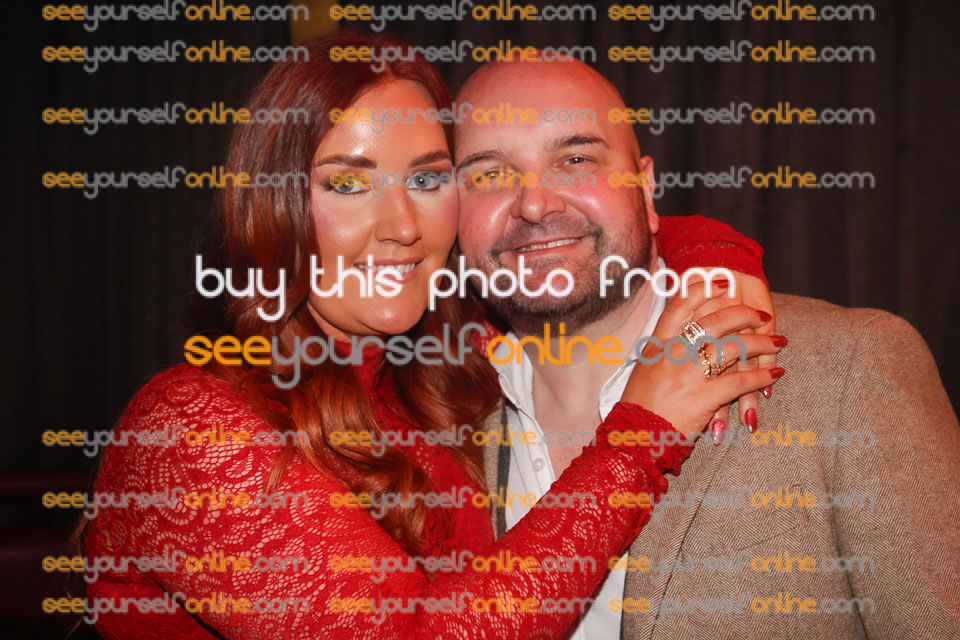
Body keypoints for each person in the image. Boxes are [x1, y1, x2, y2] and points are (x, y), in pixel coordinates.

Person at [81, 34, 785, 639]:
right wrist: (642, 434)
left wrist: (717, 268)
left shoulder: (441, 362)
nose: (403, 227)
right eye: (348, 184)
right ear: (273, 207)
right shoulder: (189, 431)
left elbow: (581, 238)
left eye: (426, 179)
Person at [456, 56, 960, 638]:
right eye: (488, 174)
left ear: (646, 187)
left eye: (576, 159)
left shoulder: (848, 369)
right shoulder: (436, 417)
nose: (535, 203)